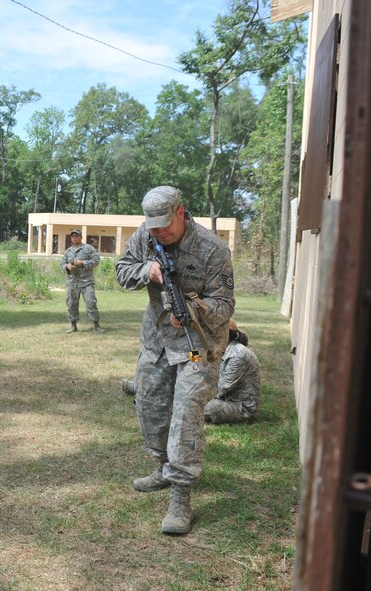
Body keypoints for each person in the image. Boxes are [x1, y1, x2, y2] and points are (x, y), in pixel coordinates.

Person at [115, 186, 234, 535]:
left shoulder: (212, 248)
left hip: (197, 343)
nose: (159, 233)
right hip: (157, 339)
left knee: (185, 411)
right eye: (153, 226)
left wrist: (196, 309)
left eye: (165, 226)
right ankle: (162, 467)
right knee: (149, 404)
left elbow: (225, 306)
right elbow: (122, 271)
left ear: (180, 213)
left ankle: (181, 496)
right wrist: (148, 272)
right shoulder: (145, 235)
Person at [204, 320, 260, 424]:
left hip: (241, 407)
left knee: (203, 406)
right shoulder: (220, 350)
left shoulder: (238, 355)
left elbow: (221, 388)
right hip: (224, 399)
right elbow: (200, 370)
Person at [61, 229, 105, 333]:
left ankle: (96, 326)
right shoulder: (68, 251)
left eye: (76, 236)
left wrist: (83, 263)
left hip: (87, 282)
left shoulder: (88, 248)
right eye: (72, 236)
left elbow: (96, 260)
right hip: (72, 282)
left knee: (91, 303)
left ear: (81, 237)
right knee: (71, 304)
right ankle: (73, 326)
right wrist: (67, 266)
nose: (74, 238)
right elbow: (62, 264)